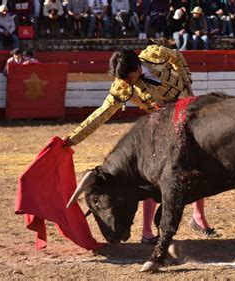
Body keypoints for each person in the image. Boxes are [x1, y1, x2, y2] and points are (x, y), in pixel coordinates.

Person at [63, 45, 215, 244]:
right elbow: (101, 114)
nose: (125, 83)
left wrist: (188, 84)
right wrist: (72, 139)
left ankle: (198, 217)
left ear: (137, 69)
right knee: (152, 175)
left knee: (196, 165)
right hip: (162, 124)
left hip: (187, 114)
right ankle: (146, 232)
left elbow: (176, 56)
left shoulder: (155, 54)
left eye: (127, 78)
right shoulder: (123, 85)